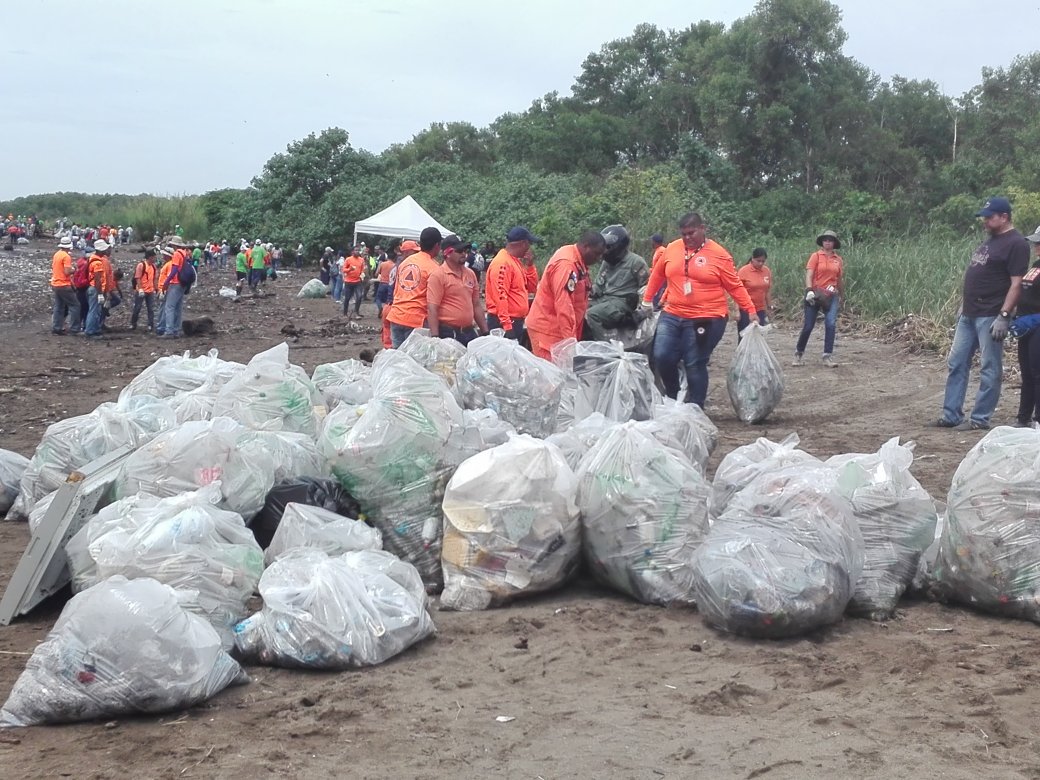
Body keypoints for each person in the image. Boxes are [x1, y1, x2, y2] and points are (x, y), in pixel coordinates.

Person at [932, 196, 1029, 430]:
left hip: (990, 314)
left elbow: (1016, 284)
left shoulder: (1017, 244)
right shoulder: (990, 241)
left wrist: (1004, 315)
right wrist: (962, 305)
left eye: (989, 217)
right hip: (969, 313)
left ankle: (979, 419)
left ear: (1004, 217)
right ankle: (951, 414)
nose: (984, 221)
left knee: (990, 366)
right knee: (957, 362)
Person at [642, 212, 756, 407]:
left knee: (694, 361)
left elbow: (734, 285)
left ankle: (696, 406)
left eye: (691, 233)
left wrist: (750, 310)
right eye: (684, 234)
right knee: (662, 356)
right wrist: (647, 299)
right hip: (673, 312)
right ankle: (672, 399)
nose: (687, 238)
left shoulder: (719, 254)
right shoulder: (671, 249)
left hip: (707, 316)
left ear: (703, 229)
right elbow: (658, 275)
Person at [526, 231, 607, 359]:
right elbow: (564, 305)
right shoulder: (566, 265)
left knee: (562, 373)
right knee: (552, 375)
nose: (598, 259)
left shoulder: (578, 260)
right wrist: (570, 342)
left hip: (559, 329)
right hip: (548, 330)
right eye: (597, 254)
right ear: (586, 247)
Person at [584, 224, 649, 341]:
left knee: (592, 315)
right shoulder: (606, 263)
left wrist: (641, 311)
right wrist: (584, 292)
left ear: (618, 247)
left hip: (622, 302)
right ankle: (583, 342)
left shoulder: (635, 262)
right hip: (605, 299)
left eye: (607, 248)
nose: (604, 252)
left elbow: (647, 287)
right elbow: (599, 285)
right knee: (579, 309)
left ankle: (604, 349)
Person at [793, 230, 844, 367]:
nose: (827, 242)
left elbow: (839, 279)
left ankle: (827, 355)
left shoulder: (838, 260)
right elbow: (809, 274)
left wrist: (841, 295)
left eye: (830, 240)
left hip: (831, 294)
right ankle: (799, 352)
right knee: (808, 325)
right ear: (822, 242)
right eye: (825, 239)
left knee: (831, 323)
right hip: (815, 293)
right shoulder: (816, 256)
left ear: (834, 243)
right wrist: (809, 290)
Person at [427, 235, 489, 345]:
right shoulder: (438, 276)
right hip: (448, 333)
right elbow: (432, 309)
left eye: (466, 250)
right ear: (447, 253)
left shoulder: (470, 274)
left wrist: (486, 333)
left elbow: (476, 304)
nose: (464, 254)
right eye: (460, 251)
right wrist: (435, 338)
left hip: (468, 331)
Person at [386, 227, 442, 347]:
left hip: (396, 315)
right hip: (416, 320)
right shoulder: (434, 268)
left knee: (397, 358)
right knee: (413, 361)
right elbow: (434, 301)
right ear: (437, 245)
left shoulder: (405, 262)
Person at [485, 226, 540, 340]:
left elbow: (531, 288)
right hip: (503, 322)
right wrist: (507, 326)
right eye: (529, 244)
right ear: (524, 243)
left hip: (514, 321)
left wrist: (530, 266)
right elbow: (500, 296)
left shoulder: (514, 261)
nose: (529, 248)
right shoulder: (502, 263)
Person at [1013, 226, 1040, 426]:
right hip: (1025, 325)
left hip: (1037, 325)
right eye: (1036, 243)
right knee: (1027, 374)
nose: (1036, 246)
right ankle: (1023, 419)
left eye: (1039, 243)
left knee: (1037, 372)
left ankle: (1038, 419)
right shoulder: (1036, 266)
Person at [737, 247, 773, 338]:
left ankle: (756, 353)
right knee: (744, 335)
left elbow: (767, 290)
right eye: (758, 261)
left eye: (763, 261)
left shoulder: (766, 271)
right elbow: (737, 292)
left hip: (760, 308)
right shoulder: (743, 271)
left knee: (758, 335)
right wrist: (737, 310)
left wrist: (769, 307)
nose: (760, 263)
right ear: (752, 259)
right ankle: (743, 353)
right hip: (746, 309)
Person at [159, 237, 189, 338]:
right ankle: (176, 329)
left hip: (176, 282)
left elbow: (174, 269)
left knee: (169, 307)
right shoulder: (184, 253)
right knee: (178, 307)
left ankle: (169, 331)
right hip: (183, 283)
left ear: (174, 245)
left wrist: (166, 282)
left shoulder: (176, 254)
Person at [50, 235, 80, 335]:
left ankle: (56, 328)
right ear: (69, 246)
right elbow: (67, 272)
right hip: (63, 284)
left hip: (55, 283)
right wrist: (74, 269)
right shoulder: (66, 256)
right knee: (75, 306)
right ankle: (74, 329)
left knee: (59, 306)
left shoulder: (57, 254)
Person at [84, 239, 114, 338]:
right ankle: (90, 331)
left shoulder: (93, 258)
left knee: (95, 310)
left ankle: (94, 329)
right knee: (94, 310)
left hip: (93, 288)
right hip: (95, 289)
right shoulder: (98, 263)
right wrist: (100, 293)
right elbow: (98, 279)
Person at [131, 247, 158, 331]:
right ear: (150, 257)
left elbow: (154, 279)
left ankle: (150, 325)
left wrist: (156, 289)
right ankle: (133, 323)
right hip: (141, 291)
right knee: (137, 308)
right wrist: (140, 289)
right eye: (154, 256)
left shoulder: (153, 267)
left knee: (151, 309)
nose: (155, 258)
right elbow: (138, 277)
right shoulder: (141, 265)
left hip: (150, 291)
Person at [341, 246, 366, 319]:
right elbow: (344, 270)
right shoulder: (348, 259)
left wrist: (362, 275)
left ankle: (356, 312)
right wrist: (350, 269)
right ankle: (345, 313)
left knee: (359, 296)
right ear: (352, 252)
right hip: (348, 282)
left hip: (357, 281)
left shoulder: (361, 260)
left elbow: (362, 269)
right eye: (356, 250)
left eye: (358, 250)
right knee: (347, 298)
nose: (357, 252)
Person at [374, 250, 396, 319]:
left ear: (387, 257)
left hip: (382, 283)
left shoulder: (383, 264)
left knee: (378, 298)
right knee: (388, 300)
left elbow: (376, 273)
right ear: (395, 258)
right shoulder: (394, 266)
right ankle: (385, 312)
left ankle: (380, 308)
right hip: (390, 285)